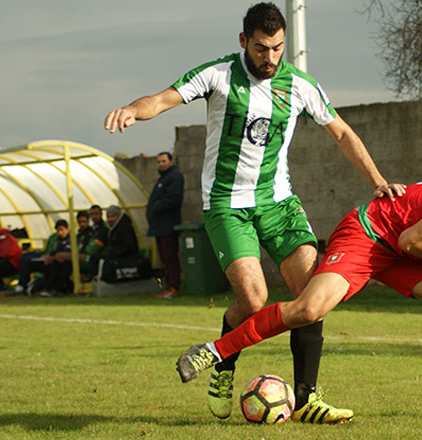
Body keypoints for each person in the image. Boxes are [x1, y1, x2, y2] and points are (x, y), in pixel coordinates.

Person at [103, 2, 403, 423]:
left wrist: (377, 181)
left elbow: (341, 132)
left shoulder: (299, 85)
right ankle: (223, 366)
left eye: (278, 48)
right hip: (227, 206)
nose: (270, 57)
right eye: (262, 48)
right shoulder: (218, 74)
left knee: (312, 293)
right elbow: (162, 99)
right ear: (243, 40)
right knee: (254, 298)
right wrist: (134, 110)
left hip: (278, 204)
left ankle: (307, 400)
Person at [176, 180, 422, 419]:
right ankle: (212, 351)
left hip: (401, 251)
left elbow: (414, 233)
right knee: (309, 309)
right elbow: (411, 241)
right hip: (369, 236)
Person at [146, 152, 184, 299]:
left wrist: (155, 207)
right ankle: (168, 288)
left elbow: (173, 199)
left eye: (163, 161)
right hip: (159, 226)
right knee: (164, 258)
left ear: (171, 161)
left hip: (168, 225)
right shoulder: (163, 178)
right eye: (159, 162)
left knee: (170, 257)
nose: (161, 164)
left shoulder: (175, 177)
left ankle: (174, 288)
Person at [10, 219, 72, 296]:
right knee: (25, 259)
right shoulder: (54, 238)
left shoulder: (72, 239)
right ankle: (22, 286)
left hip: (58, 262)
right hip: (49, 260)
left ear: (68, 229)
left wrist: (52, 257)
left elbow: (68, 253)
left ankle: (50, 289)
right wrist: (47, 256)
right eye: (58, 230)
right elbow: (50, 251)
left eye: (62, 230)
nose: (60, 232)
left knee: (54, 265)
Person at [88, 205, 140, 278]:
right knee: (95, 258)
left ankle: (97, 279)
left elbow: (130, 246)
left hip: (127, 258)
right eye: (108, 217)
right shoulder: (115, 228)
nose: (110, 219)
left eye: (113, 216)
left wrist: (116, 254)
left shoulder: (125, 228)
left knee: (96, 259)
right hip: (120, 256)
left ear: (119, 216)